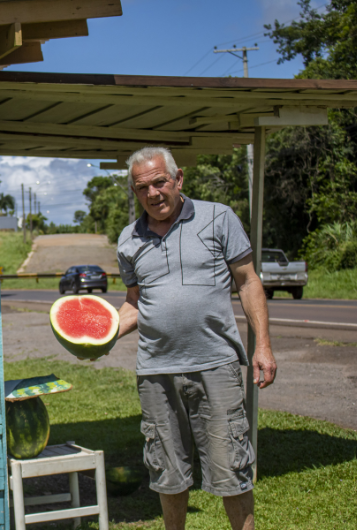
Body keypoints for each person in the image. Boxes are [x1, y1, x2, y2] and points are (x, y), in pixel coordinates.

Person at [114, 147, 277, 530]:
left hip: (215, 364)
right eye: (142, 188)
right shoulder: (128, 239)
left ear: (178, 179)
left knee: (232, 469)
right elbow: (135, 303)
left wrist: (263, 346)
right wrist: (98, 338)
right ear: (135, 192)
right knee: (167, 473)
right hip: (156, 372)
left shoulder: (218, 218)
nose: (153, 193)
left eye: (160, 182)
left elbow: (248, 281)